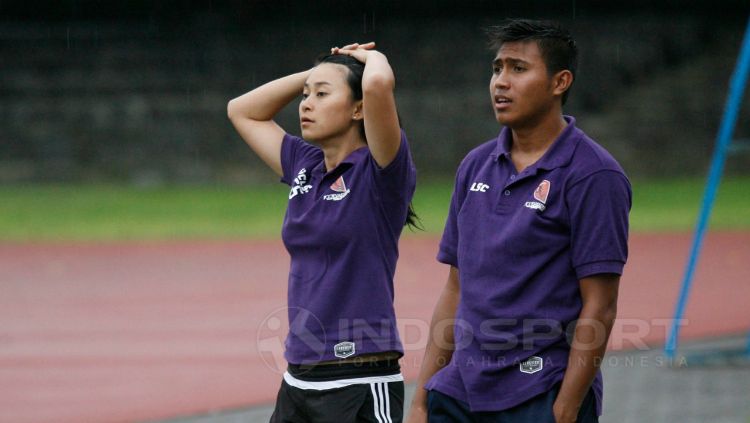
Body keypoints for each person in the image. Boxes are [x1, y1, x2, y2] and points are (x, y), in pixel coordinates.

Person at [406, 19, 630, 423]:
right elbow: (455, 287)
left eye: (518, 69)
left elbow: (601, 305)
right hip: (459, 394)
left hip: (539, 392)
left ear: (560, 82)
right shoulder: (475, 165)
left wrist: (564, 409)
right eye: (497, 69)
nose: (500, 83)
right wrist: (422, 399)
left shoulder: (594, 175)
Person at [228, 42, 417, 423]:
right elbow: (242, 111)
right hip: (300, 375)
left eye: (322, 95)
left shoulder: (380, 172)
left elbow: (379, 83)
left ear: (358, 108)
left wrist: (362, 59)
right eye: (305, 95)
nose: (305, 104)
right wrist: (322, 72)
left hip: (360, 377)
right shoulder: (305, 165)